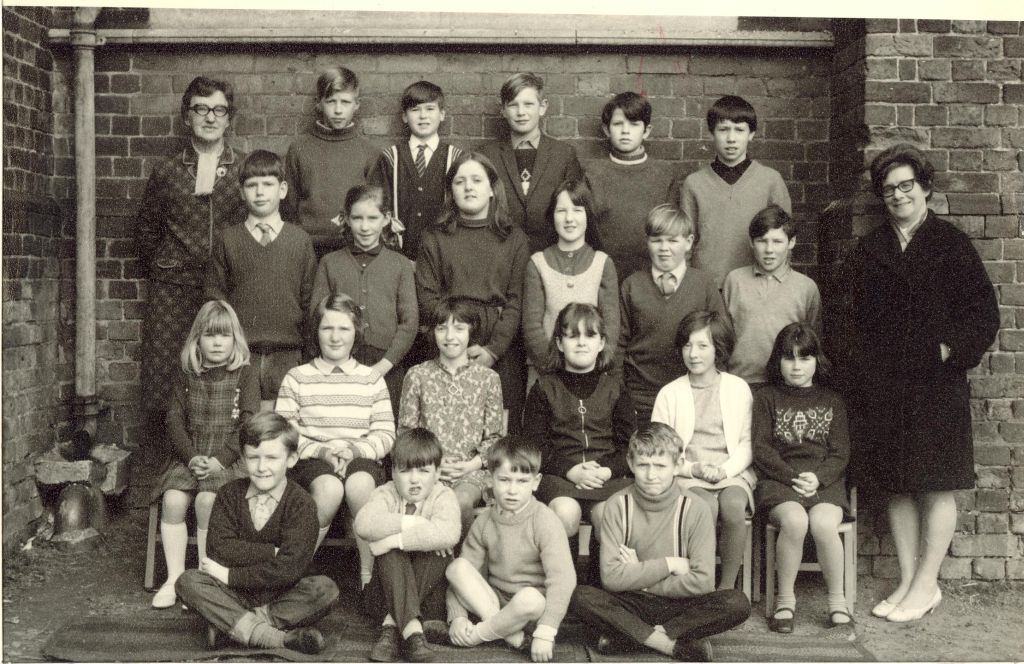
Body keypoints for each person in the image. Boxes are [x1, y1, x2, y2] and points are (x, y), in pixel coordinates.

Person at [833, 144, 999, 623]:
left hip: (935, 385)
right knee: (897, 486)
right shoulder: (871, 250)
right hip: (884, 387)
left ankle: (928, 584)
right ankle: (908, 579)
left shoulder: (951, 244)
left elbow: (982, 316)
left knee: (935, 484)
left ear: (925, 188)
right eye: (889, 189)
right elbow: (846, 319)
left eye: (907, 186)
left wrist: (949, 350)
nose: (899, 196)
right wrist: (862, 371)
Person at [135, 75, 248, 463]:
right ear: (187, 117)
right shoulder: (168, 172)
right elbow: (146, 231)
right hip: (174, 290)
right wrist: (167, 265)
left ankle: (216, 468)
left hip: (224, 292)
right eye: (201, 109)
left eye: (219, 110)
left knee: (220, 373)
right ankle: (167, 472)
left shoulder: (242, 170)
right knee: (167, 377)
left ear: (229, 118)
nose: (210, 118)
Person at [569, 423, 750, 661]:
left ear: (677, 466)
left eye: (660, 466)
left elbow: (704, 582)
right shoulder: (617, 505)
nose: (651, 475)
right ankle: (669, 644)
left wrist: (640, 579)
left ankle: (628, 636)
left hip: (681, 603)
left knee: (737, 602)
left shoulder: (696, 508)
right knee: (580, 596)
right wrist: (670, 564)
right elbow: (611, 578)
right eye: (643, 465)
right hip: (631, 602)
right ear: (631, 464)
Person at [175, 411, 338, 655]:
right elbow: (218, 549)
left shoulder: (302, 504)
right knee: (188, 581)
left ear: (291, 459)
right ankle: (274, 638)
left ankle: (231, 625)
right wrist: (271, 552)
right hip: (232, 595)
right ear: (242, 457)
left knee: (325, 589)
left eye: (272, 458)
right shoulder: (229, 494)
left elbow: (290, 568)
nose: (262, 468)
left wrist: (229, 575)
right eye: (253, 458)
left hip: (281, 594)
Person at [275, 293, 395, 588]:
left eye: (344, 329)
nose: (335, 337)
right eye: (327, 328)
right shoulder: (297, 377)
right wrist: (323, 451)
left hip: (361, 458)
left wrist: (353, 450)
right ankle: (290, 572)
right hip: (311, 461)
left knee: (360, 485)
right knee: (329, 488)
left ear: (357, 333)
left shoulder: (371, 379)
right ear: (316, 332)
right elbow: (285, 431)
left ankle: (369, 578)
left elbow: (385, 433)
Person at [150, 300, 260, 609]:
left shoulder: (244, 374)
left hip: (230, 458)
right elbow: (173, 419)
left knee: (206, 501)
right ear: (197, 338)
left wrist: (221, 459)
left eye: (224, 336)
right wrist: (191, 456)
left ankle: (203, 580)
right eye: (209, 335)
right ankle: (175, 578)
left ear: (235, 339)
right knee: (173, 499)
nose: (216, 342)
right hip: (192, 455)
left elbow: (249, 422)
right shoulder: (188, 373)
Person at [415, 152, 530, 433]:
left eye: (477, 180)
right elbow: (427, 296)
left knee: (497, 437)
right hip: (448, 341)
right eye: (460, 181)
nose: (468, 187)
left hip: (499, 348)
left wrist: (493, 350)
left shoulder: (514, 238)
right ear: (450, 192)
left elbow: (517, 301)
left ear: (492, 189)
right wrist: (456, 343)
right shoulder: (434, 237)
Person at [753, 324, 851, 632]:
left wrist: (818, 478)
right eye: (789, 358)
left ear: (816, 361)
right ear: (777, 361)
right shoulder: (767, 397)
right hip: (780, 480)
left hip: (824, 481)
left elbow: (840, 452)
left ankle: (837, 601)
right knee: (795, 522)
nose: (797, 366)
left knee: (823, 524)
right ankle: (785, 601)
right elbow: (761, 448)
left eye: (804, 358)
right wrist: (793, 475)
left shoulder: (832, 400)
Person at [445, 436, 576, 663]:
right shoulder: (485, 521)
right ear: (490, 479)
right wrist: (457, 617)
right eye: (504, 480)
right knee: (456, 568)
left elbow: (563, 579)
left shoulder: (544, 520)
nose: (512, 490)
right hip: (492, 603)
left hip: (532, 610)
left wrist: (546, 632)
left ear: (536, 482)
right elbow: (463, 578)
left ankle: (479, 635)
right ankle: (511, 636)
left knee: (529, 599)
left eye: (522, 481)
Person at [651, 310, 755, 592]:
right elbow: (660, 451)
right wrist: (691, 469)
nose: (693, 354)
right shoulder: (670, 393)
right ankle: (701, 584)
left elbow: (747, 443)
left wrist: (725, 471)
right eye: (687, 345)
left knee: (733, 508)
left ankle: (725, 589)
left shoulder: (738, 388)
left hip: (730, 471)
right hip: (688, 474)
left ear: (718, 349)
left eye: (702, 346)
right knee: (703, 507)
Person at [205, 150, 317, 411]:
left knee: (284, 427)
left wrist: (306, 355)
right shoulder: (228, 239)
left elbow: (310, 299)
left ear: (283, 189)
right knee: (245, 426)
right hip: (242, 356)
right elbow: (215, 296)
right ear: (242, 192)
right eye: (251, 185)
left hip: (288, 354)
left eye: (268, 184)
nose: (260, 192)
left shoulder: (299, 240)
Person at [524, 303, 636, 551]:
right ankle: (567, 583)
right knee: (566, 512)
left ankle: (602, 586)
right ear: (560, 344)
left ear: (602, 343)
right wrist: (571, 470)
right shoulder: (544, 388)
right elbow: (534, 447)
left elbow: (630, 447)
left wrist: (607, 471)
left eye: (590, 335)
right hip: (559, 476)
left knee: (609, 515)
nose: (581, 343)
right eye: (572, 336)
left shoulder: (615, 388)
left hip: (605, 477)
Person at [355, 428, 462, 663]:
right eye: (405, 471)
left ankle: (391, 627)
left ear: (437, 473)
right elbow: (363, 524)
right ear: (393, 472)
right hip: (381, 595)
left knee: (438, 552)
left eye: (424, 471)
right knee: (393, 554)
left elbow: (449, 533)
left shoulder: (443, 495)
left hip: (427, 597)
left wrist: (392, 540)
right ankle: (413, 631)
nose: (414, 479)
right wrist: (413, 522)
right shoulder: (385, 493)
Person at [311, 184, 417, 418]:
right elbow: (318, 315)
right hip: (339, 363)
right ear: (346, 219)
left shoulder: (400, 265)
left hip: (388, 367)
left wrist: (384, 366)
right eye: (357, 218)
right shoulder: (330, 263)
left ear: (386, 218)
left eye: (373, 218)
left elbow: (410, 322)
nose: (365, 226)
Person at [398, 298, 503, 535]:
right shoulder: (417, 375)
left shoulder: (488, 379)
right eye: (441, 327)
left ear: (471, 331)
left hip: (472, 471)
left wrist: (471, 465)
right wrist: (431, 464)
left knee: (459, 502)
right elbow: (406, 433)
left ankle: (465, 563)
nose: (449, 336)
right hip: (426, 469)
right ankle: (433, 564)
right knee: (420, 503)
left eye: (459, 328)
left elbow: (495, 438)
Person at [618, 204, 725, 423]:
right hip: (641, 396)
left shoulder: (703, 285)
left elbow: (721, 340)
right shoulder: (631, 285)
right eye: (657, 240)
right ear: (647, 242)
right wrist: (624, 392)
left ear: (689, 242)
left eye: (673, 240)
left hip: (691, 392)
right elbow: (618, 343)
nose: (664, 248)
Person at [677, 95, 791, 289]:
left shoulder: (770, 180)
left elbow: (784, 241)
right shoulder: (694, 183)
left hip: (756, 285)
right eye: (723, 130)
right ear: (712, 133)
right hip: (707, 285)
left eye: (739, 130)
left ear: (752, 134)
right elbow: (684, 242)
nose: (731, 138)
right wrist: (689, 286)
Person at [522, 177, 619, 387]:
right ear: (552, 216)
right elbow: (532, 327)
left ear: (587, 216)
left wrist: (589, 369)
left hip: (590, 376)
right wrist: (554, 367)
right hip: (546, 375)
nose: (569, 219)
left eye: (577, 210)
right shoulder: (537, 264)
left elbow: (610, 325)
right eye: (561, 211)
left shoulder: (602, 264)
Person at [479, 72, 583, 253]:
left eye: (528, 104)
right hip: (500, 253)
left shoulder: (564, 154)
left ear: (542, 107)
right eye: (513, 105)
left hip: (550, 253)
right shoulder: (487, 155)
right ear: (503, 110)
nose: (521, 112)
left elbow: (576, 207)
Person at [284, 66, 378, 260]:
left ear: (356, 104)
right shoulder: (299, 148)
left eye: (345, 102)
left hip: (352, 248)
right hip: (307, 248)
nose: (338, 110)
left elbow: (373, 208)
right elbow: (289, 207)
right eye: (331, 102)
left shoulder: (368, 151)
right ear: (319, 104)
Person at [722, 205, 821, 388]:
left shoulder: (806, 288)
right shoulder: (734, 281)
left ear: (791, 243)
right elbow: (722, 338)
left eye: (777, 241)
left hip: (786, 384)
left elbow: (813, 343)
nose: (769, 249)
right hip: (739, 382)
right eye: (762, 241)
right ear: (751, 242)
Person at [584, 91, 676, 282]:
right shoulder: (593, 174)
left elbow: (673, 231)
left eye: (634, 124)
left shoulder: (664, 175)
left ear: (647, 130)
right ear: (606, 130)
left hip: (652, 277)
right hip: (604, 276)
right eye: (618, 124)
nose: (625, 131)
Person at [369, 80, 463, 262]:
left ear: (442, 114)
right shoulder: (390, 158)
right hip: (397, 257)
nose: (423, 116)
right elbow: (377, 208)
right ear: (404, 116)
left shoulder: (456, 158)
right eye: (415, 110)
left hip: (444, 257)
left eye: (430, 109)